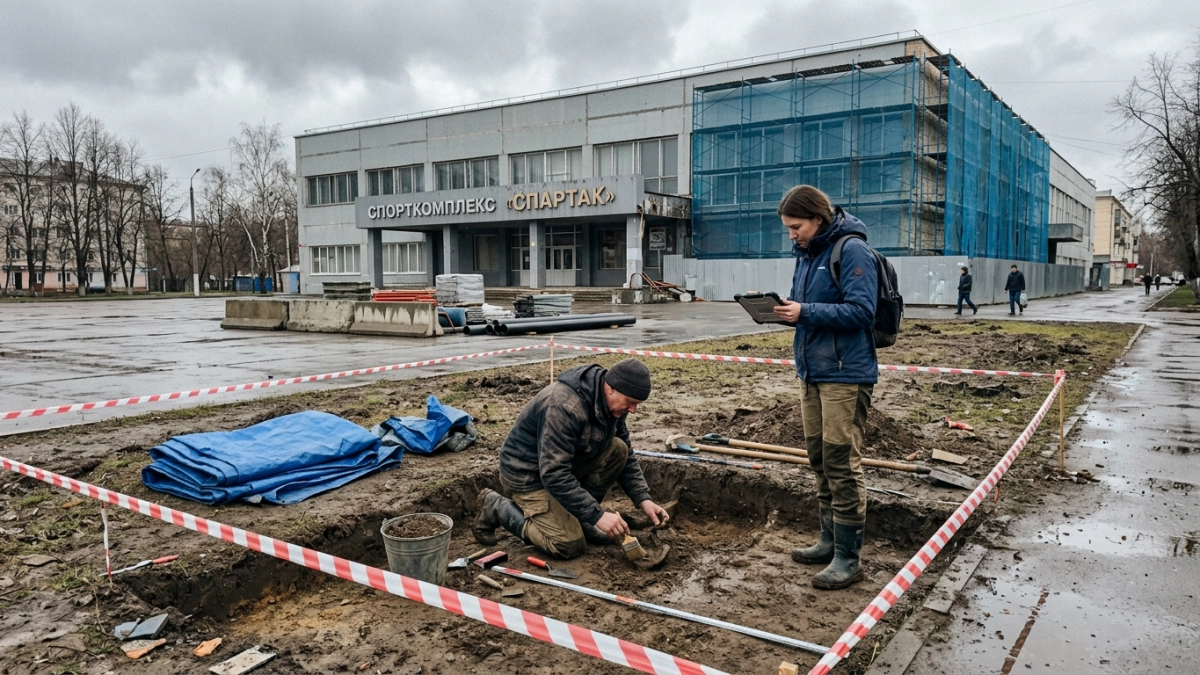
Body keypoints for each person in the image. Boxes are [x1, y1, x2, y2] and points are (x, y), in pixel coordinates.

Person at [771, 185, 876, 590]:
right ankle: (829, 540)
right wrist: (789, 311)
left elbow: (862, 312)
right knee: (818, 458)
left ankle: (849, 557)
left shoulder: (851, 251)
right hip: (812, 372)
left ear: (818, 218)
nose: (791, 235)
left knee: (841, 462)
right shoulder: (807, 255)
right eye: (787, 228)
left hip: (844, 375)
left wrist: (806, 311)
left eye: (796, 226)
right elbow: (810, 311)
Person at [472, 358, 670, 559]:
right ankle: (496, 507)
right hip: (527, 475)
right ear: (610, 389)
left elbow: (625, 450)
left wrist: (643, 498)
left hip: (561, 465)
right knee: (568, 545)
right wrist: (597, 515)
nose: (633, 410)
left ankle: (579, 517)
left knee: (618, 449)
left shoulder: (611, 404)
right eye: (631, 403)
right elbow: (553, 474)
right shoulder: (564, 407)